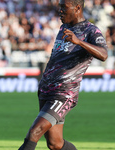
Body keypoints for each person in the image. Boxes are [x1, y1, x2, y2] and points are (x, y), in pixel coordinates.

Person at [18, 0, 108, 149]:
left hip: (63, 93)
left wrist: (79, 42)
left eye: (63, 8)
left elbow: (104, 54)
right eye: (59, 7)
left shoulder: (90, 31)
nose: (60, 11)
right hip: (46, 90)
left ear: (77, 8)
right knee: (55, 144)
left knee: (34, 132)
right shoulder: (64, 28)